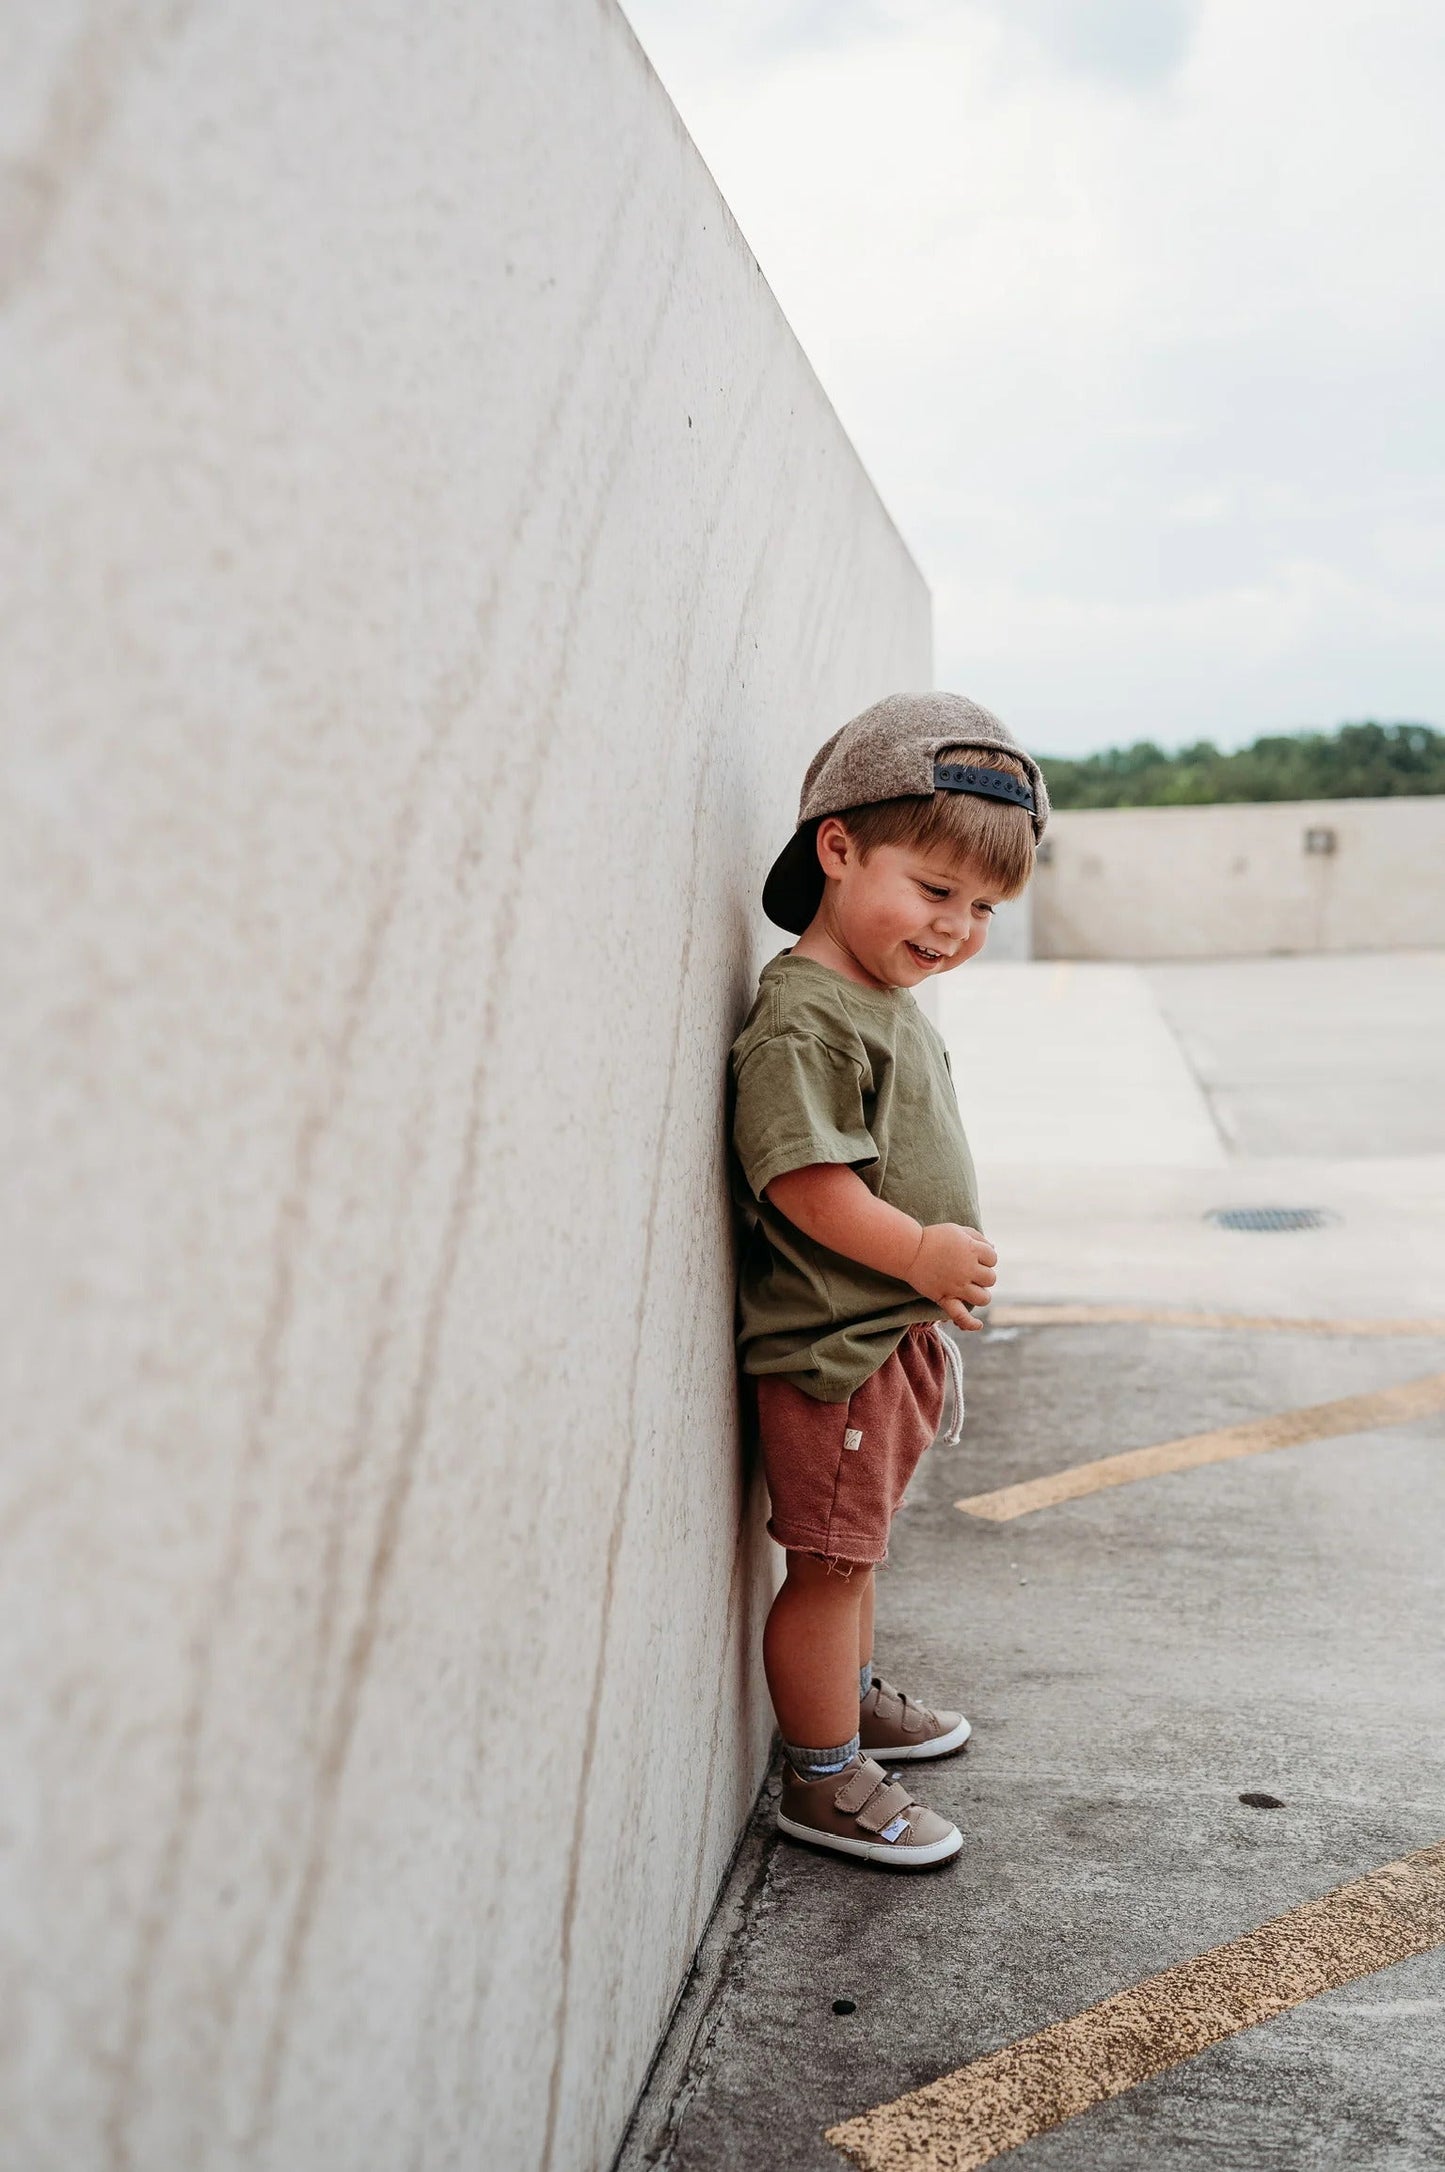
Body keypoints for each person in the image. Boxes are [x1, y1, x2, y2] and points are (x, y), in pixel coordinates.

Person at [729, 690, 1048, 1865]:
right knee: (825, 1568)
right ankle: (818, 1780)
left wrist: (927, 1281)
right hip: (833, 1357)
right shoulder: (806, 1016)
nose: (955, 927)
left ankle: (847, 1695)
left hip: (883, 1346)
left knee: (855, 1557)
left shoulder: (881, 995)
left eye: (981, 908)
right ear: (837, 846)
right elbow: (804, 1184)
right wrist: (918, 1253)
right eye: (933, 890)